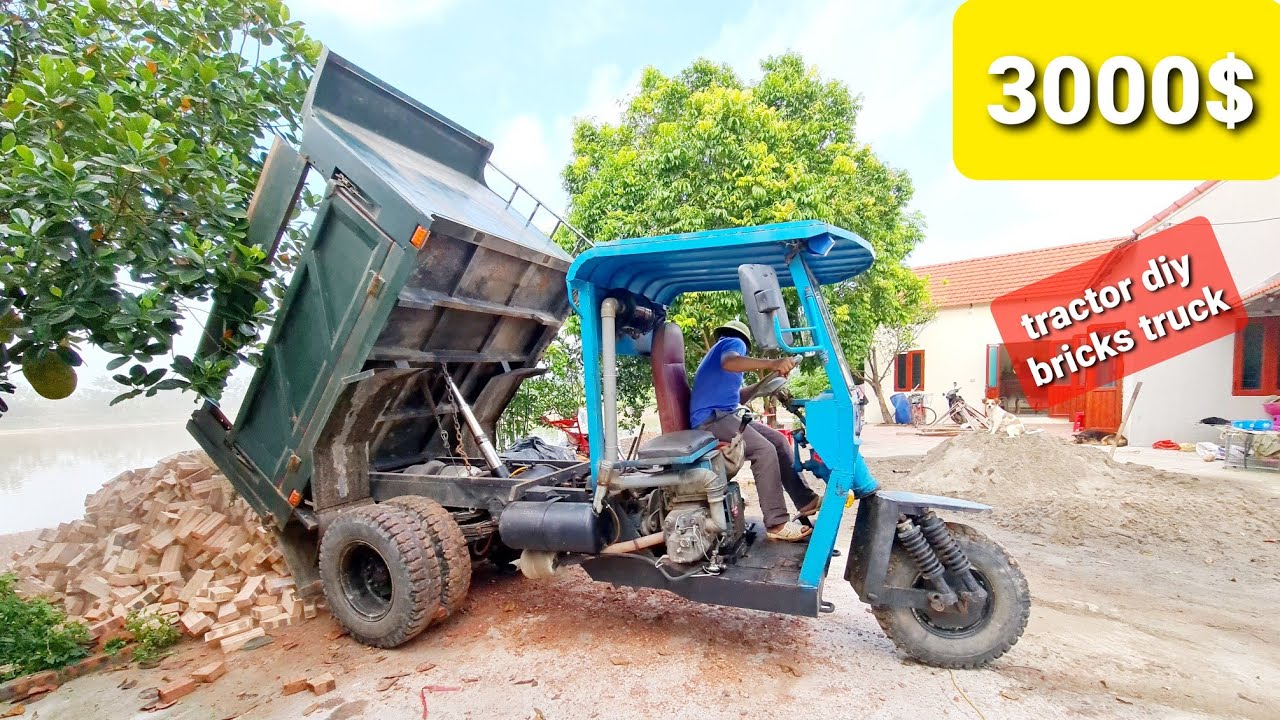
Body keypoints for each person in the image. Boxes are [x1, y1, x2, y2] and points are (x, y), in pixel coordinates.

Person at [689, 320, 819, 542]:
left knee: (778, 440)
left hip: (724, 415)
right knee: (764, 450)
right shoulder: (732, 343)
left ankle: (805, 500)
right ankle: (776, 522)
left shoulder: (719, 359)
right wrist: (772, 363)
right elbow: (730, 362)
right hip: (712, 419)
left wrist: (765, 384)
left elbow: (736, 397)